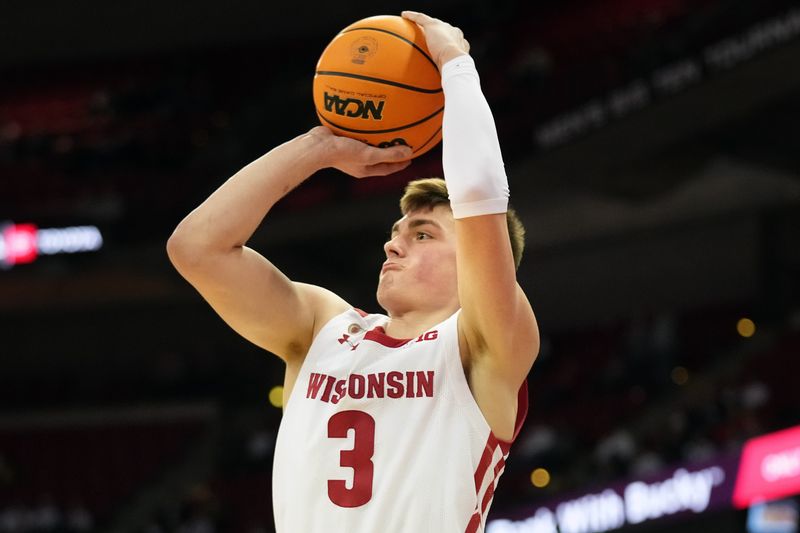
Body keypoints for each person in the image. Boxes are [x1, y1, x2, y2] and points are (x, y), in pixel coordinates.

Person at [167, 10, 540, 533]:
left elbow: (481, 197)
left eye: (423, 234)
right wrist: (320, 147)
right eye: (397, 230)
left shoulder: (487, 347)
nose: (394, 243)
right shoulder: (323, 325)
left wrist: (456, 64)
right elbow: (196, 249)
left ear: (475, 265)